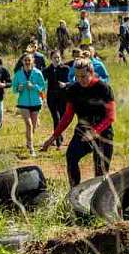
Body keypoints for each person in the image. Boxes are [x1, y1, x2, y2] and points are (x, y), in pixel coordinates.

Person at [40, 58, 116, 187]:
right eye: (77, 76)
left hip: (103, 133)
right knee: (71, 157)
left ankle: (98, 200)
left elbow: (110, 117)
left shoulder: (103, 88)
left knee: (100, 172)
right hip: (83, 131)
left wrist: (95, 132)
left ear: (91, 72)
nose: (81, 80)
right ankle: (74, 192)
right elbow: (68, 116)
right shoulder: (73, 89)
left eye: (84, 76)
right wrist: (54, 137)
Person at [12, 54, 47, 156]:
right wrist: (19, 88)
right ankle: (31, 148)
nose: (27, 62)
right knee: (29, 124)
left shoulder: (37, 73)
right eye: (25, 60)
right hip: (23, 102)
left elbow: (43, 86)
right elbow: (14, 89)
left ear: (32, 61)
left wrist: (34, 87)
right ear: (22, 62)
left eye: (29, 60)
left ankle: (28, 141)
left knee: (33, 126)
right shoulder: (18, 74)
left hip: (36, 102)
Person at [43, 50, 71, 150]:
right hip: (51, 97)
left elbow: (72, 81)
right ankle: (58, 142)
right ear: (51, 59)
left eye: (58, 57)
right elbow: (41, 82)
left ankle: (59, 136)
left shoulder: (66, 68)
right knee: (56, 118)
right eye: (55, 58)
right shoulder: (47, 70)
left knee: (62, 118)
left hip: (63, 97)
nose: (57, 59)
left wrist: (65, 84)